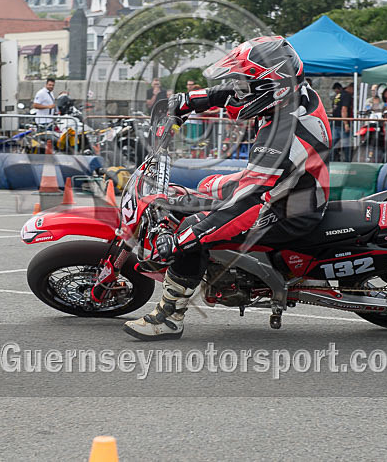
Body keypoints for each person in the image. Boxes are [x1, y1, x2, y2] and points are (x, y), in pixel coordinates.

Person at [124, 36, 331, 340]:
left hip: (290, 207)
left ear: (270, 87)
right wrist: (188, 101)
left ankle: (169, 318)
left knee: (192, 228)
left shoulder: (282, 136)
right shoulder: (293, 94)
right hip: (287, 188)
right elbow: (232, 94)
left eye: (244, 85)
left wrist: (186, 238)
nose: (238, 90)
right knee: (198, 190)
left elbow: (249, 204)